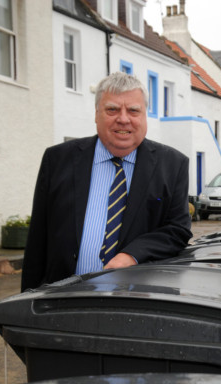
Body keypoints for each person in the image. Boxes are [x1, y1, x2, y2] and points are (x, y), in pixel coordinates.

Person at [21, 72, 192, 291]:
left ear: (144, 115)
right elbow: (37, 239)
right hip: (61, 300)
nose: (123, 118)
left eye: (133, 110)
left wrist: (132, 255)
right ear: (96, 114)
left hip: (136, 303)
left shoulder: (173, 165)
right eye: (112, 109)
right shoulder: (57, 160)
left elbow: (177, 230)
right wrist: (23, 306)